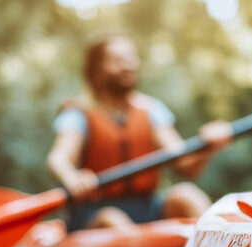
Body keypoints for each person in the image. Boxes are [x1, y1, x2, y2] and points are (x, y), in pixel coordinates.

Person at [47, 34, 233, 231]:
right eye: (117, 60)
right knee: (113, 219)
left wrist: (207, 146)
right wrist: (72, 177)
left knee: (186, 195)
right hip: (95, 212)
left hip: (146, 207)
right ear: (96, 71)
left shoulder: (151, 110)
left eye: (131, 58)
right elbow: (58, 158)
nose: (129, 65)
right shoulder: (78, 114)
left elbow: (184, 165)